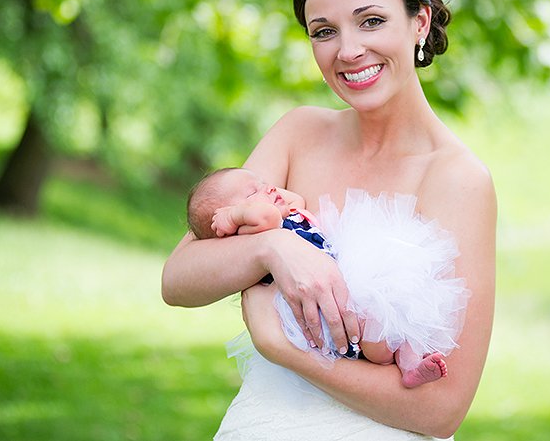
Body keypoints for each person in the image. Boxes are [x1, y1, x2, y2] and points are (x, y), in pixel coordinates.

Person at [162, 0, 496, 440]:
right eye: (324, 31)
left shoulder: (458, 180)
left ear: (419, 22)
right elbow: (178, 279)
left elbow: (438, 411)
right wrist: (275, 248)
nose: (348, 50)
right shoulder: (299, 133)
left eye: (372, 21)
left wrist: (283, 349)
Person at [185, 166, 467, 389]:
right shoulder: (256, 230)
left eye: (263, 183)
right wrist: (238, 214)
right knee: (375, 330)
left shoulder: (289, 213)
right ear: (232, 223)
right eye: (251, 193)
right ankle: (390, 356)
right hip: (321, 309)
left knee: (395, 308)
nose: (269, 188)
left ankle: (410, 364)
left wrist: (262, 195)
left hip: (338, 285)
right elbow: (266, 215)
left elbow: (295, 200)